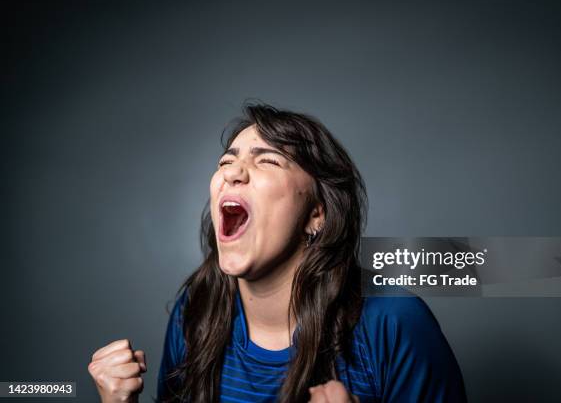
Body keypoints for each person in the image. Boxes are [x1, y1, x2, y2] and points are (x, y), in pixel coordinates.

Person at [88, 103, 467, 403]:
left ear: (316, 214)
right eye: (226, 162)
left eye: (267, 160)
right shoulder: (197, 309)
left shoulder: (394, 321)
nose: (234, 172)